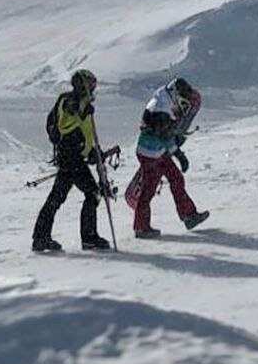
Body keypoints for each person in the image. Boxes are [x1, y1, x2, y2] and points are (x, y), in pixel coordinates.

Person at [32, 69, 113, 253]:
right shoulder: (68, 100)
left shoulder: (83, 104)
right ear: (82, 85)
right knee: (92, 193)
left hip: (73, 156)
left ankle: (40, 238)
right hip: (70, 157)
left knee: (57, 197)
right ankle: (89, 238)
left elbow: (85, 133)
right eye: (91, 85)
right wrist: (82, 110)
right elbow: (66, 123)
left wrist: (93, 152)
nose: (93, 89)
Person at [129, 77, 208, 238]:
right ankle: (141, 227)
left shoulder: (165, 98)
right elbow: (164, 136)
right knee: (148, 189)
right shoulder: (162, 111)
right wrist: (179, 155)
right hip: (150, 153)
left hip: (158, 151)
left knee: (176, 178)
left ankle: (189, 216)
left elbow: (165, 135)